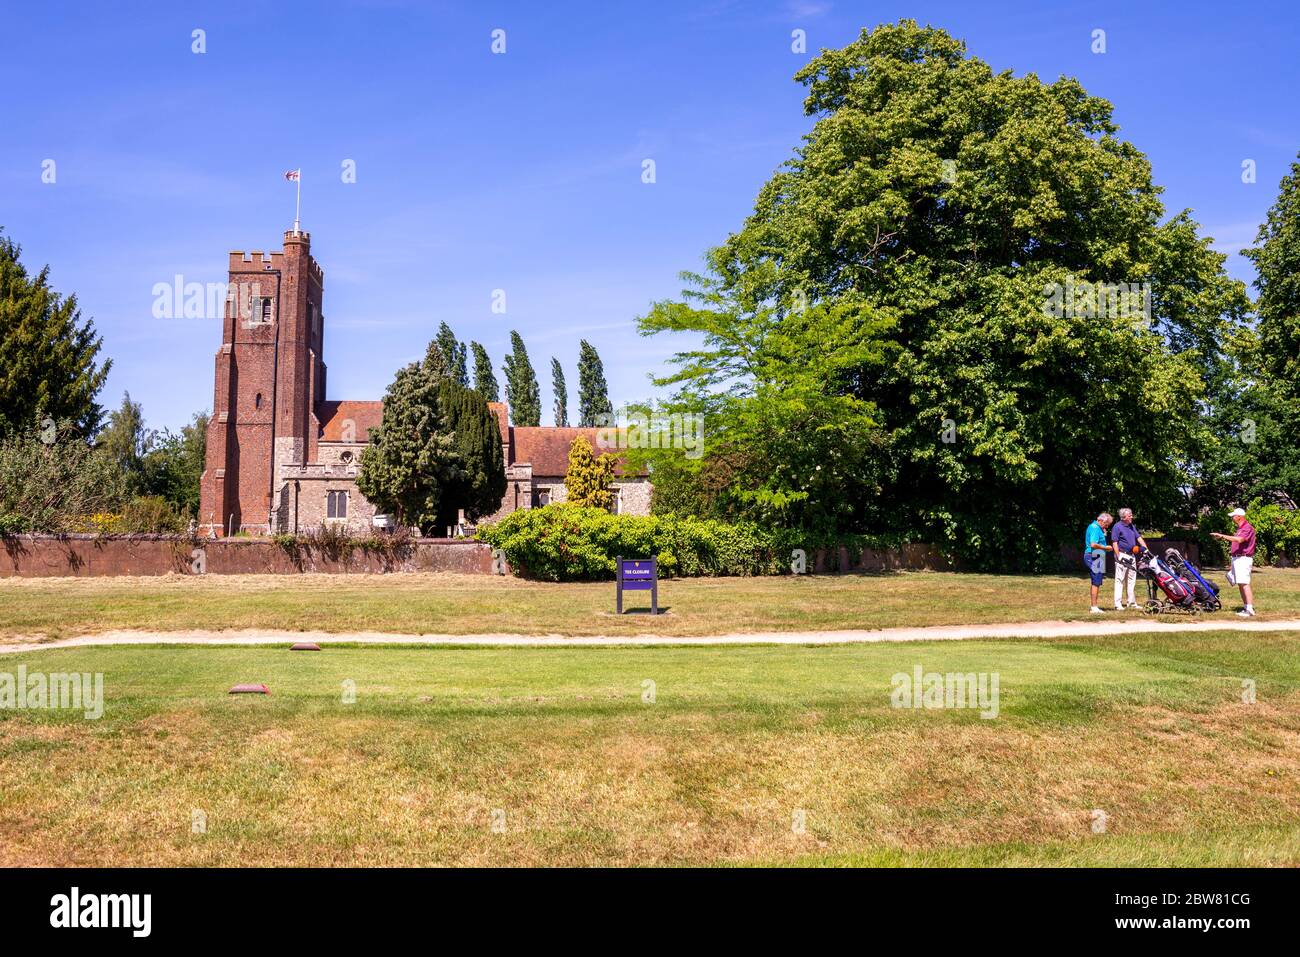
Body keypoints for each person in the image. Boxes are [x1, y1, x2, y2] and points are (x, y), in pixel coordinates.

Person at [1211, 508, 1257, 617]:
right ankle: (1246, 607)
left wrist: (1222, 536)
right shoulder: (1241, 528)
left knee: (1245, 583)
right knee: (1241, 584)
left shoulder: (1247, 528)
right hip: (1238, 558)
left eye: (1233, 516)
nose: (1232, 518)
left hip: (1243, 559)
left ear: (1239, 516)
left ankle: (1250, 609)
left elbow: (1239, 540)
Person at [1110, 508, 1150, 610]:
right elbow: (1114, 542)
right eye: (1130, 515)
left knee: (1131, 580)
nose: (1132, 517)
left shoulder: (1132, 526)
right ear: (1124, 517)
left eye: (1131, 515)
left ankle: (1131, 603)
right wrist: (1118, 556)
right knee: (1120, 580)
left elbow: (1139, 538)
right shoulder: (1117, 527)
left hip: (1132, 556)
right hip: (1122, 555)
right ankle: (1117, 604)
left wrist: (1146, 549)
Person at [1083, 512, 1113, 613]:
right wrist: (1106, 548)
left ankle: (1094, 606)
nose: (1107, 526)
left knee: (1096, 581)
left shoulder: (1097, 527)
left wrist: (1103, 532)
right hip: (1093, 555)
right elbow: (1093, 544)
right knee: (1096, 581)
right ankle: (1094, 607)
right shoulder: (1095, 528)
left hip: (1097, 555)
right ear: (1101, 520)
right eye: (1106, 524)